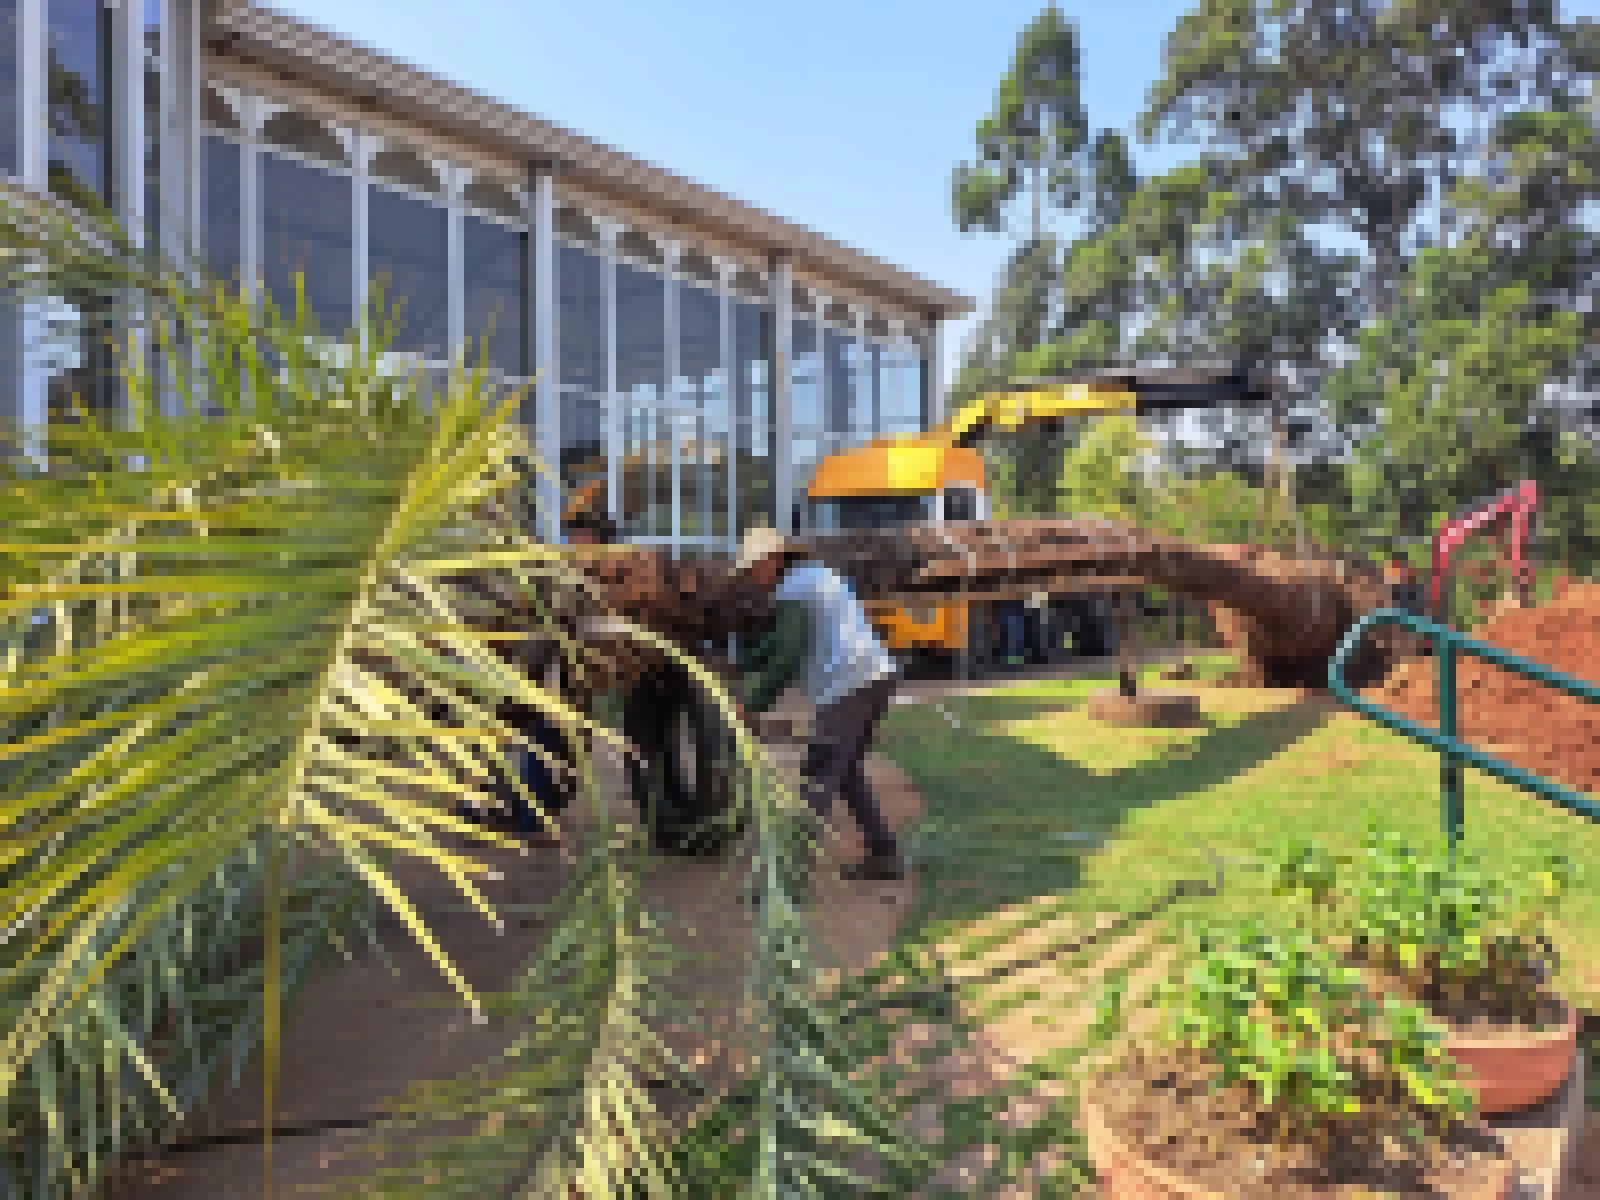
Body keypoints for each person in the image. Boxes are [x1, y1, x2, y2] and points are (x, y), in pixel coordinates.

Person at [732, 525, 906, 881]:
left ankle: (789, 871)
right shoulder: (814, 577)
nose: (752, 577)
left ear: (774, 559)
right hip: (874, 677)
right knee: (846, 773)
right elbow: (780, 644)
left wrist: (752, 705)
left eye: (754, 568)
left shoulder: (794, 590)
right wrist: (741, 665)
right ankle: (884, 854)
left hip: (848, 684)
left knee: (818, 773)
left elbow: (786, 656)